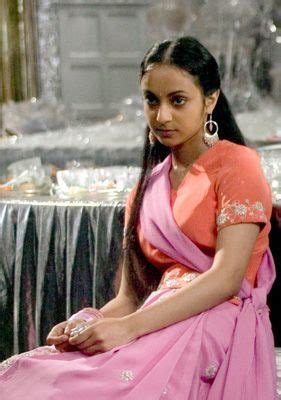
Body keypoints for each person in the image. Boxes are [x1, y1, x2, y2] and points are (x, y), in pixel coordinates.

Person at [0, 36, 277, 399]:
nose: (162, 116)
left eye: (178, 101)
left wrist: (129, 328)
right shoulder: (147, 188)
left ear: (209, 99)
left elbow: (226, 279)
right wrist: (87, 324)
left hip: (218, 320)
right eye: (152, 100)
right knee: (34, 375)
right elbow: (130, 298)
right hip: (155, 318)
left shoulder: (236, 165)